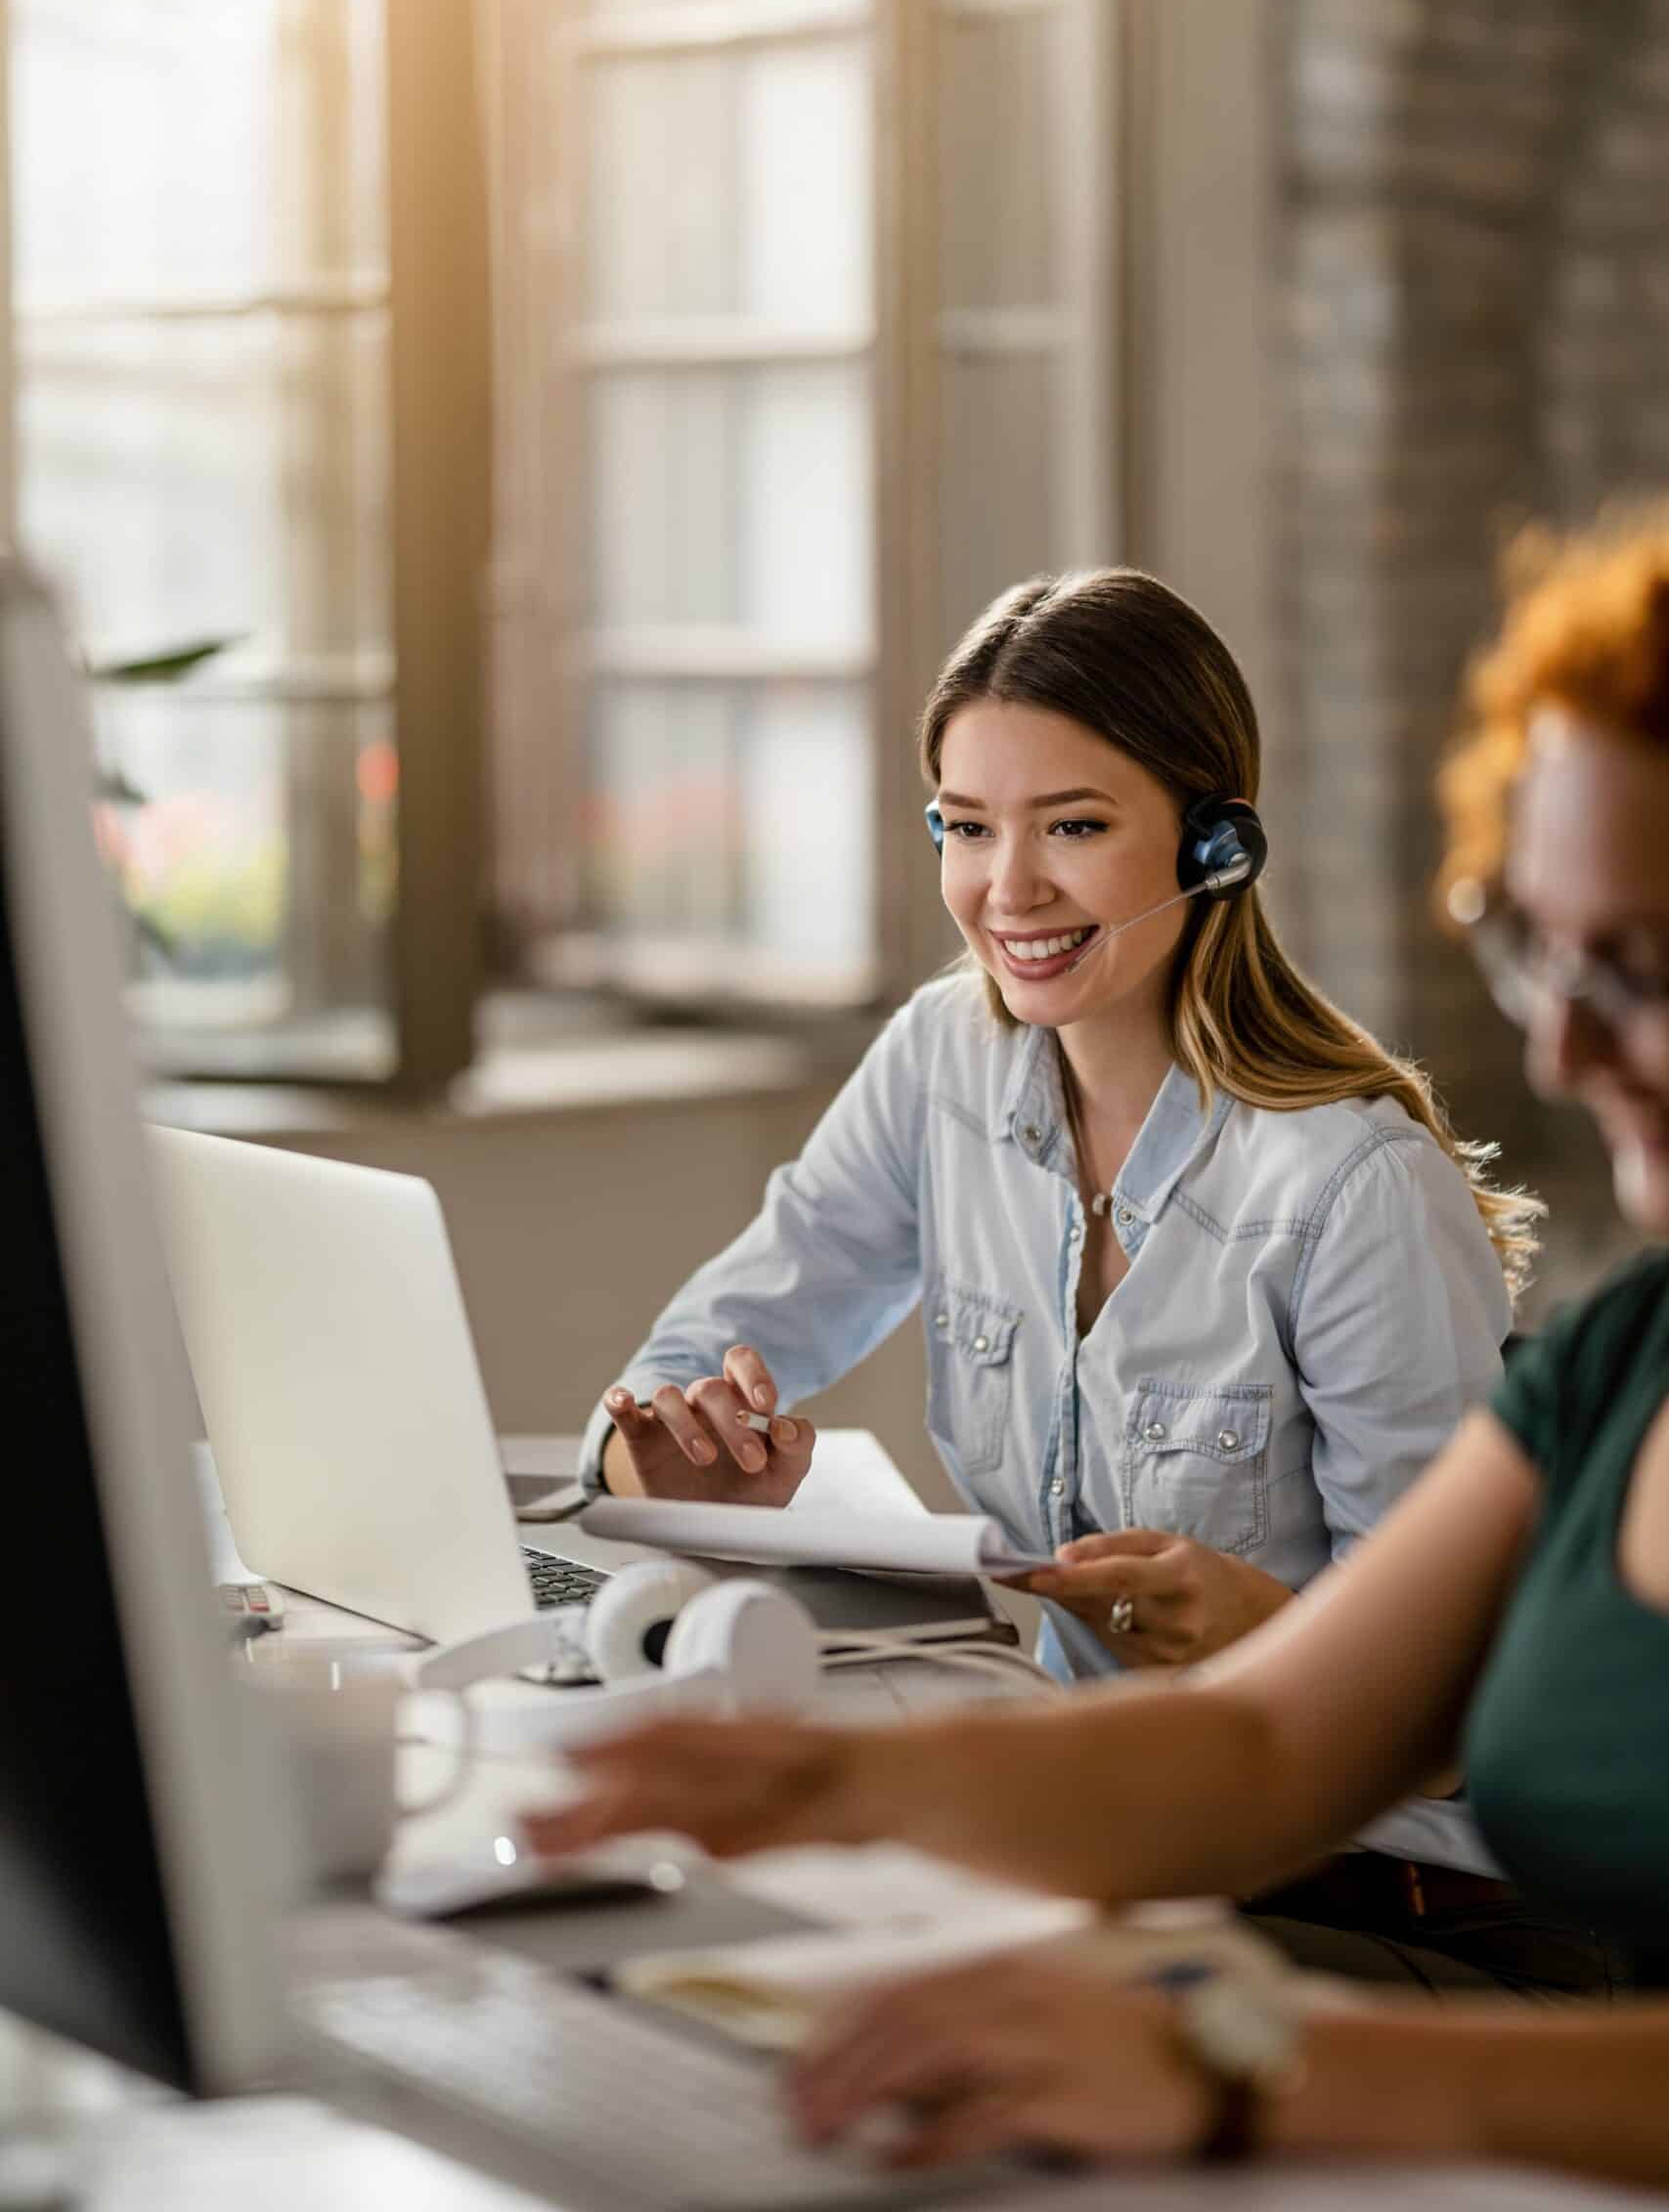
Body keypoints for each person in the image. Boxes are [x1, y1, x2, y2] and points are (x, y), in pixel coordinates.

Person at [530, 517, 1669, 2187]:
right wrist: (825, 1782)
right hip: (1174, 1856)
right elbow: (1272, 1741)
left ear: (1212, 846)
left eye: (1630, 964)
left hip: (1406, 1917)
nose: (1555, 1048)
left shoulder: (1349, 1185)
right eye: (1528, 947)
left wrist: (1239, 2061)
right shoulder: (1622, 1357)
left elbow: (1413, 1734)